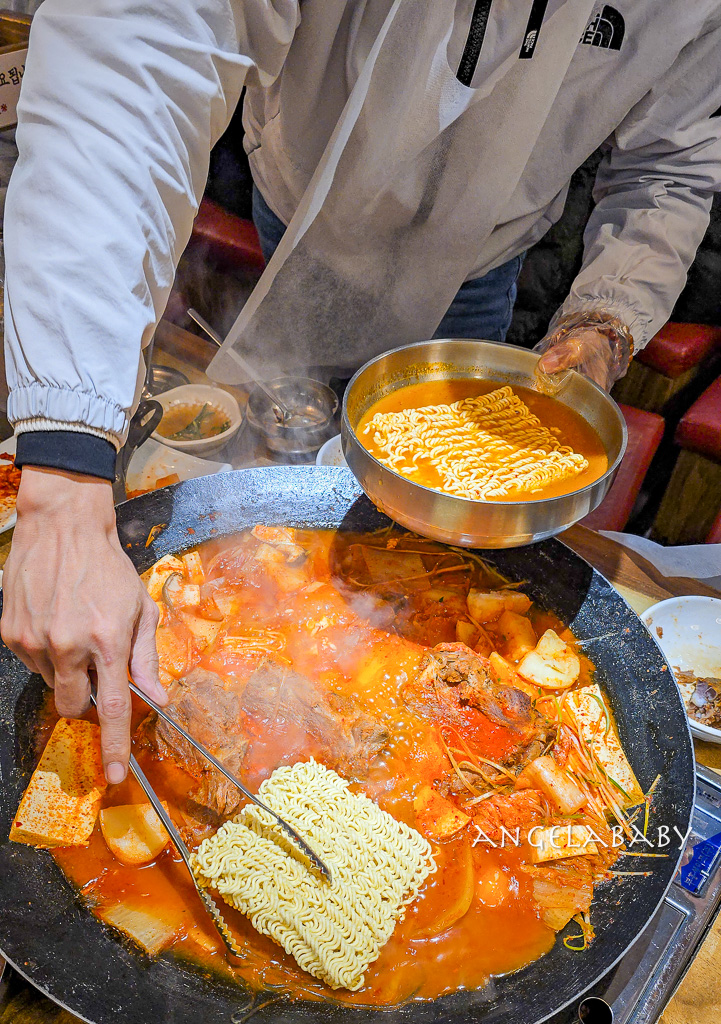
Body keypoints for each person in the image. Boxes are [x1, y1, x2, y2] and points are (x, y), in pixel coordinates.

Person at [3, 0, 720, 785]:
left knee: (435, 537)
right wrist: (65, 475)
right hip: (304, 204)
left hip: (485, 258)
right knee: (277, 425)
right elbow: (136, 52)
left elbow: (671, 164)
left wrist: (610, 313)